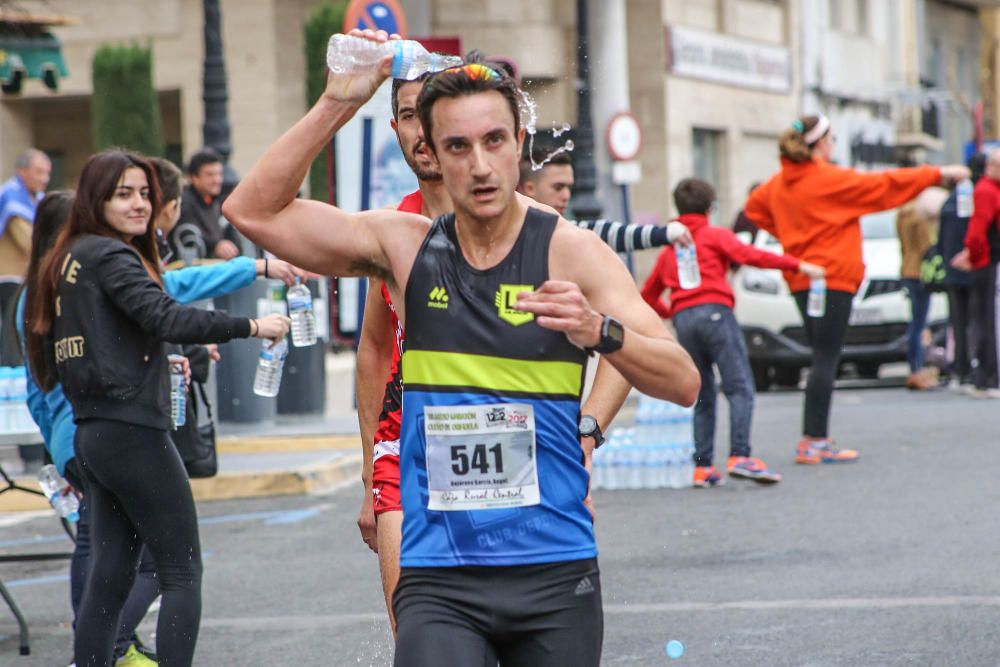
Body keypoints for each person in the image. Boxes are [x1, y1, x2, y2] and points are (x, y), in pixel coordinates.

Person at [225, 29, 699, 666]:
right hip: (440, 578)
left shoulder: (570, 250)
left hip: (553, 571)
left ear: (519, 145)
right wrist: (339, 102)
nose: (479, 166)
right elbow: (252, 211)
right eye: (458, 146)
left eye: (494, 141)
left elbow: (683, 381)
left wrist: (599, 333)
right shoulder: (404, 246)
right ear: (432, 155)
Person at [357, 66, 664, 635]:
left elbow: (630, 336)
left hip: (522, 448)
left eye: (488, 137)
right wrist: (369, 471)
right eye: (405, 116)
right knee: (420, 628)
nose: (420, 134)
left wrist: (586, 432)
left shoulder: (539, 232)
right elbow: (375, 348)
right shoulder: (389, 232)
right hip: (409, 446)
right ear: (408, 131)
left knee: (518, 616)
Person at [25, 150, 290, 667]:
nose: (139, 204)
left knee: (111, 574)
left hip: (94, 432)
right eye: (123, 194)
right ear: (94, 199)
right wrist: (253, 327)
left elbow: (88, 340)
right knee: (181, 571)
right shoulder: (109, 256)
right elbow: (165, 315)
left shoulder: (70, 258)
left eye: (144, 193)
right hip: (132, 432)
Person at [743, 114, 969, 464]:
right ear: (820, 145)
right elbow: (885, 185)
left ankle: (814, 437)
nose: (833, 144)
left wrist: (791, 232)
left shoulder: (778, 184)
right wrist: (936, 174)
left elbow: (754, 208)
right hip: (833, 276)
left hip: (803, 278)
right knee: (826, 357)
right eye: (831, 138)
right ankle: (814, 438)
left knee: (821, 354)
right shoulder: (829, 179)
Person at [642, 177, 824, 487]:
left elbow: (647, 294)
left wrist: (675, 312)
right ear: (710, 209)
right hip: (716, 314)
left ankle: (703, 467)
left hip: (685, 322)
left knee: (702, 393)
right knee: (739, 385)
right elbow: (754, 256)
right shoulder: (715, 235)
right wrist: (799, 266)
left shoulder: (670, 249)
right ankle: (740, 455)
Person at [518, 147, 693, 251]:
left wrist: (664, 234)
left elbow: (610, 233)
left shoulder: (565, 232)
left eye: (569, 187)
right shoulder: (504, 234)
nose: (566, 196)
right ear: (529, 188)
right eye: (558, 187)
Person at [952, 146, 1000, 397]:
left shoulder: (989, 189)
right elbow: (978, 228)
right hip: (987, 261)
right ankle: (988, 375)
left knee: (984, 317)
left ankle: (986, 375)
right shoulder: (986, 191)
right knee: (987, 318)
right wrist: (972, 253)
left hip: (986, 259)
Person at [938, 154, 983, 389]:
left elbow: (940, 238)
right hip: (972, 265)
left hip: (952, 269)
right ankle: (974, 369)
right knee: (978, 320)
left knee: (958, 321)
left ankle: (960, 368)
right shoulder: (979, 196)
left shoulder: (950, 200)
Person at [170, 148, 240, 262]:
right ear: (194, 177)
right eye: (210, 175)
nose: (217, 180)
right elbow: (189, 235)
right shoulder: (185, 203)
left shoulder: (214, 201)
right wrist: (216, 245)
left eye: (219, 174)